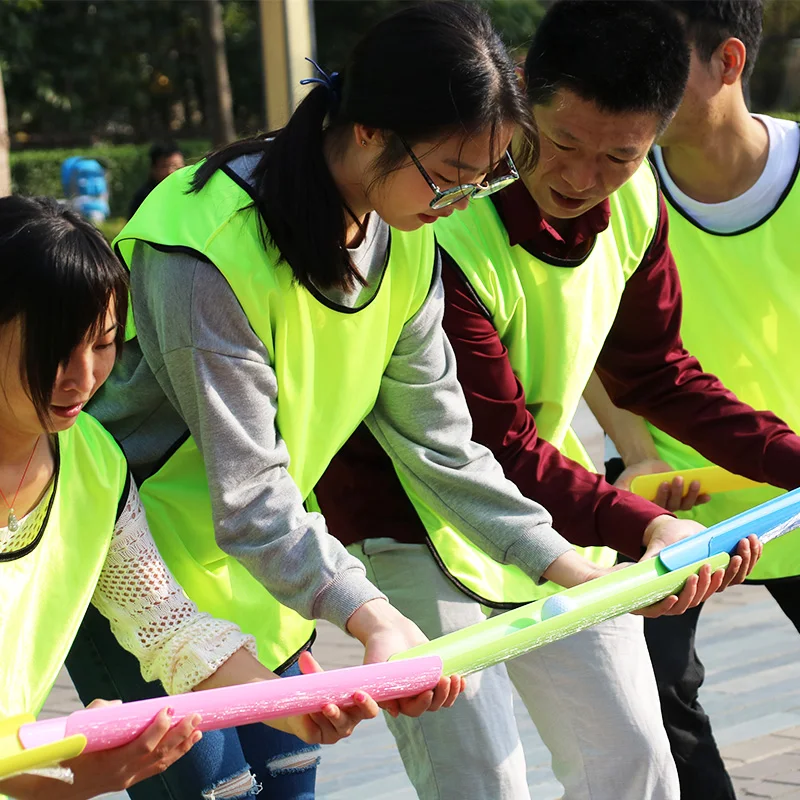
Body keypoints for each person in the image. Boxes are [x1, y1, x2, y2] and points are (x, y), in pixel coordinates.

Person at [64, 4, 615, 798]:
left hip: (263, 578)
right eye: (449, 177)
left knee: (288, 786)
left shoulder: (408, 232)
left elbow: (440, 446)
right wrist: (374, 617)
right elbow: (248, 493)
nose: (462, 202)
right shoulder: (202, 247)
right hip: (139, 578)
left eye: (485, 179)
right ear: (366, 132)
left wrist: (568, 567)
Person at [314, 2, 785, 798]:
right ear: (523, 87)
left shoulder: (638, 204)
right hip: (412, 519)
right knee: (482, 783)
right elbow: (487, 444)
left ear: (658, 133)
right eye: (562, 142)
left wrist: (793, 461)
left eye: (620, 156)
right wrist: (649, 525)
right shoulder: (440, 221)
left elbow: (657, 371)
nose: (581, 178)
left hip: (552, 510)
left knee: (635, 760)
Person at [0, 196, 380, 800]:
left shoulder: (91, 463)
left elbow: (169, 628)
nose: (82, 377)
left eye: (102, 344)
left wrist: (288, 708)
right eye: (54, 350)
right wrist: (71, 778)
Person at [583, 2, 800, 798]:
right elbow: (585, 336)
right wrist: (636, 451)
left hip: (794, 480)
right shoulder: (612, 183)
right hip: (672, 493)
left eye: (660, 60)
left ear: (729, 62)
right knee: (654, 701)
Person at [127, 141, 185, 218]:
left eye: (178, 167)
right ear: (153, 168)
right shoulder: (144, 199)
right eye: (165, 166)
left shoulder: (189, 193)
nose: (172, 172)